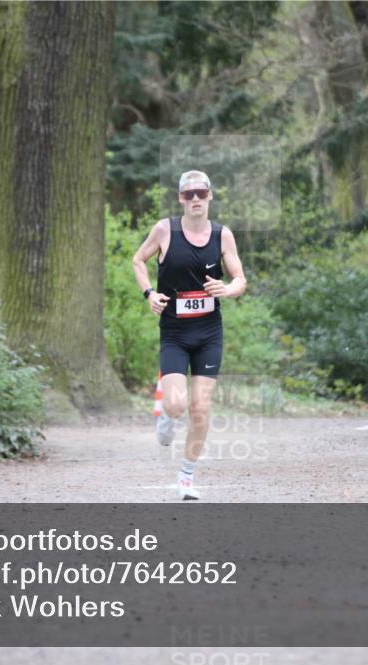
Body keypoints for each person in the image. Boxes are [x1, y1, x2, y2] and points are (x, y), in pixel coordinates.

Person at [132, 170, 247, 500]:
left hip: (209, 333)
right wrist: (149, 293)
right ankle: (167, 416)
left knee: (200, 408)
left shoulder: (222, 235)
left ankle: (186, 476)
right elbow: (138, 260)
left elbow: (240, 279)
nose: (195, 199)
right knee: (177, 405)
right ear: (181, 199)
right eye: (188, 194)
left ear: (210, 196)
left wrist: (226, 288)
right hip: (175, 334)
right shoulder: (165, 230)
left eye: (201, 193)